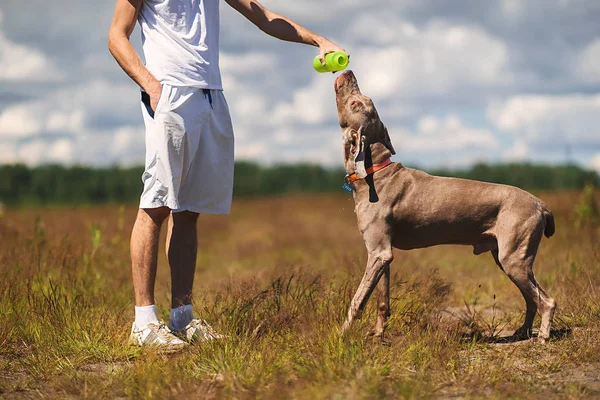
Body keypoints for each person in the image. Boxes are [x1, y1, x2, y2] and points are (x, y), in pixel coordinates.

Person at [108, 0, 346, 350]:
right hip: (169, 92)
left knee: (189, 211)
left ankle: (182, 318)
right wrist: (151, 85)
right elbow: (117, 36)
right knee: (156, 204)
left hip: (211, 95)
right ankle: (143, 323)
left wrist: (319, 41)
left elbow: (264, 17)